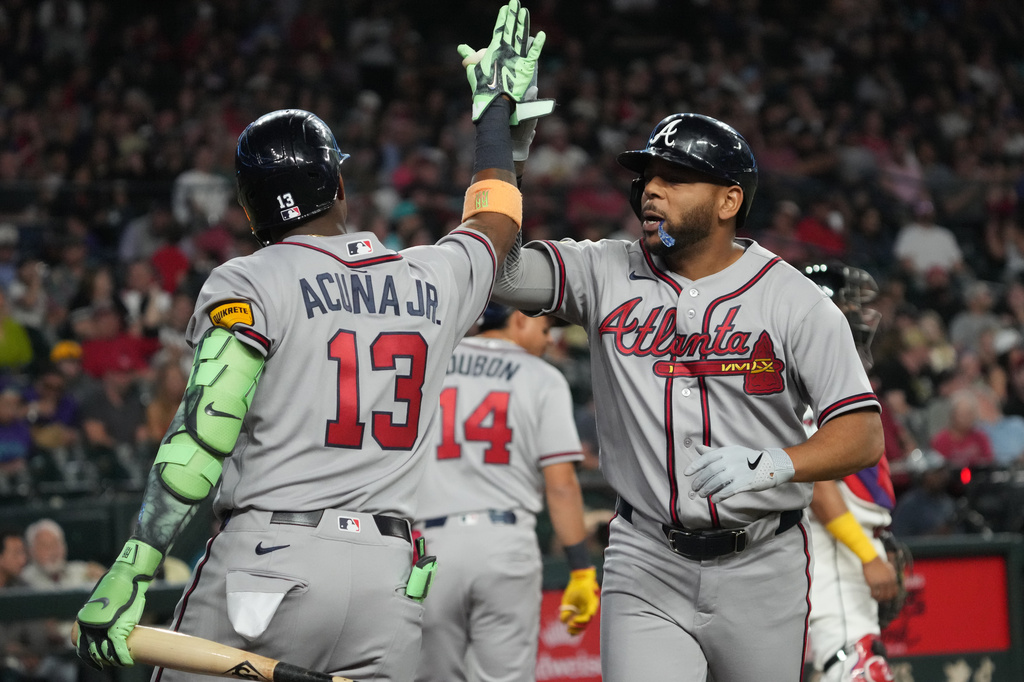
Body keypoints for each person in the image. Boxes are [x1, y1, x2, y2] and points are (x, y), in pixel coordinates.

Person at [74, 3, 546, 680]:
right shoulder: (431, 275)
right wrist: (497, 123)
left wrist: (132, 567)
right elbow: (496, 224)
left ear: (248, 206)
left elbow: (203, 435)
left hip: (272, 564)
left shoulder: (249, 279)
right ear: (339, 184)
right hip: (391, 576)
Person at [492, 111, 884, 681]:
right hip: (646, 557)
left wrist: (776, 462)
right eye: (647, 178)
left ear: (729, 201)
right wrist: (507, 157)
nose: (651, 189)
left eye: (674, 178)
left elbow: (863, 433)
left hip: (764, 562)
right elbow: (499, 276)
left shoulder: (794, 299)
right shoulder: (603, 269)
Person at [414, 303, 598, 682]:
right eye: (544, 328)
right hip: (504, 542)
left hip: (430, 547)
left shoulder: (430, 364)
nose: (549, 339)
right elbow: (561, 484)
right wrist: (580, 568)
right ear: (518, 318)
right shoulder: (542, 377)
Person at [801, 262, 899, 682]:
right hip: (836, 556)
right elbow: (819, 490)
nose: (860, 315)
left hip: (850, 548)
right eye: (847, 303)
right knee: (856, 668)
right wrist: (866, 554)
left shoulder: (833, 379)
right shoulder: (810, 384)